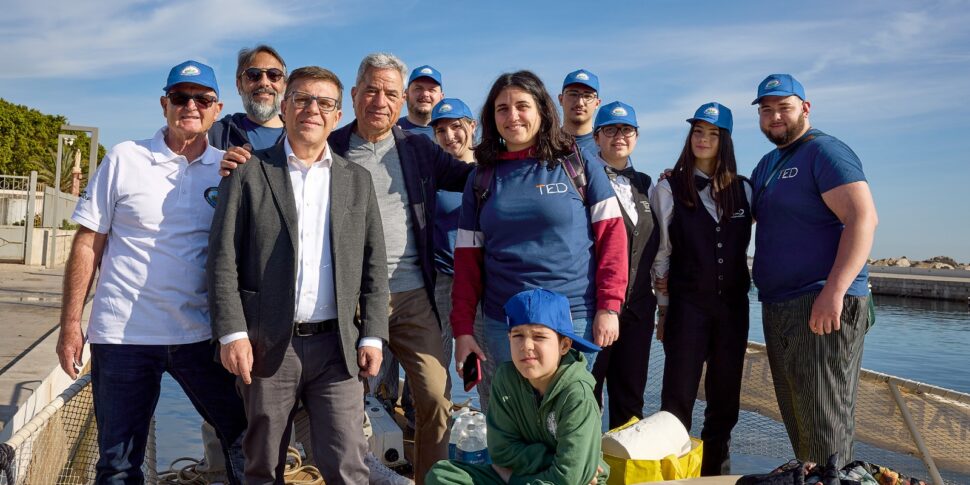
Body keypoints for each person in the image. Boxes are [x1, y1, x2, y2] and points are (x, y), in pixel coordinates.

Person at [220, 52, 473, 485]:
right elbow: (231, 246)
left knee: (433, 393)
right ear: (353, 97)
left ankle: (428, 478)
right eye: (371, 90)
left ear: (401, 101)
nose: (380, 100)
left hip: (410, 293)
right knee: (331, 417)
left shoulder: (419, 150)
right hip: (344, 300)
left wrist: (520, 151)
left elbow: (473, 177)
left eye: (391, 93)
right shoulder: (327, 145)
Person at [55, 60, 247, 484]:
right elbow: (88, 242)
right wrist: (71, 324)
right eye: (180, 97)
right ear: (164, 104)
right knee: (119, 464)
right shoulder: (125, 157)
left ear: (217, 109)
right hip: (124, 336)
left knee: (245, 441)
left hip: (200, 336)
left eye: (202, 99)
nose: (190, 106)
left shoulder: (230, 169)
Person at [208, 66, 388, 484]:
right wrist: (232, 334)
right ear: (285, 108)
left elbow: (375, 265)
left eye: (324, 102)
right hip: (268, 346)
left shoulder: (357, 182)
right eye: (302, 99)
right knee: (263, 464)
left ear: (338, 115)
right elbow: (222, 260)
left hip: (336, 348)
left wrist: (374, 334)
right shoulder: (249, 173)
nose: (312, 109)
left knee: (347, 462)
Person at [450, 70, 628, 379]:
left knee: (571, 416)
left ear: (542, 110)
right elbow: (467, 262)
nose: (513, 116)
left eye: (522, 106)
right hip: (504, 323)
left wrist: (609, 307)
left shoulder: (578, 163)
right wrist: (463, 329)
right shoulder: (481, 177)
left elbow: (612, 238)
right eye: (502, 109)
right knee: (513, 417)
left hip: (572, 318)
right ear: (492, 118)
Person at [750, 74, 877, 467]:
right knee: (801, 422)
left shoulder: (825, 152)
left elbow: (863, 219)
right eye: (766, 109)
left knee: (826, 427)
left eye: (783, 107)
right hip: (779, 305)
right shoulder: (768, 164)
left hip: (819, 303)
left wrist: (833, 292)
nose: (774, 116)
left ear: (805, 108)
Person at [650, 102, 752, 475]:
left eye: (712, 133)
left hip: (733, 311)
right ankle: (670, 478)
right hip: (686, 307)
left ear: (724, 140)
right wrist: (663, 308)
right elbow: (662, 253)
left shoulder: (746, 190)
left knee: (725, 404)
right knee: (676, 401)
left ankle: (715, 477)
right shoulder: (667, 188)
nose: (703, 139)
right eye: (697, 132)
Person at [426, 289, 609, 485]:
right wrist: (552, 459)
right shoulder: (505, 378)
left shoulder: (577, 395)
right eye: (518, 335)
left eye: (539, 337)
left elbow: (568, 478)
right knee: (441, 474)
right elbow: (501, 452)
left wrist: (512, 476)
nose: (526, 345)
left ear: (564, 345)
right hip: (525, 476)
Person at [586, 101, 661, 429]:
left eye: (626, 129)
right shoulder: (583, 180)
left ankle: (625, 474)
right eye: (610, 129)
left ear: (636, 136)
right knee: (586, 395)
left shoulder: (647, 184)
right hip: (595, 308)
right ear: (596, 137)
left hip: (639, 310)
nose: (619, 135)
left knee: (630, 399)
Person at [428, 98, 495, 409]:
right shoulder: (431, 175)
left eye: (456, 127)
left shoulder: (489, 171)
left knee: (486, 357)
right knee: (436, 360)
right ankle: (436, 429)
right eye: (441, 130)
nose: (449, 135)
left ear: (472, 126)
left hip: (483, 280)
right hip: (443, 278)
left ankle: (492, 426)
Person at [209, 44, 287, 150]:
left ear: (285, 86)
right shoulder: (215, 135)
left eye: (274, 75)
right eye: (253, 75)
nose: (264, 82)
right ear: (239, 85)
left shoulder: (302, 135)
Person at [558, 69, 602, 156]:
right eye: (573, 94)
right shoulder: (545, 145)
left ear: (597, 103)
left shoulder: (606, 147)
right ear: (561, 99)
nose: (580, 103)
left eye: (587, 96)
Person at [397, 65, 444, 139]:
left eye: (432, 90)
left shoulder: (451, 136)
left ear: (441, 97)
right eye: (418, 88)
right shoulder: (390, 131)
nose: (425, 94)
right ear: (406, 94)